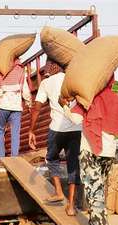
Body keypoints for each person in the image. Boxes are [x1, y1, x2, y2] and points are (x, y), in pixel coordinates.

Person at [60, 76, 118, 225]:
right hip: (109, 154)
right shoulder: (117, 100)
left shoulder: (88, 98)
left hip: (90, 152)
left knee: (94, 196)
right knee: (99, 191)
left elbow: (75, 120)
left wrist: (64, 106)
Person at [28, 60, 82, 216]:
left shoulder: (47, 82)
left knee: (51, 158)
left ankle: (58, 192)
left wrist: (31, 130)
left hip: (57, 128)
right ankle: (71, 205)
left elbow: (37, 107)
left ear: (51, 67)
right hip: (76, 128)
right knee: (73, 164)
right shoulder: (74, 80)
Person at [0, 59, 32, 162]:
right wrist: (28, 103)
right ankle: (14, 157)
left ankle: (1, 157)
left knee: (0, 131)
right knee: (15, 133)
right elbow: (26, 90)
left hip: (3, 106)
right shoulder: (20, 72)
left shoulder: (2, 71)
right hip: (16, 108)